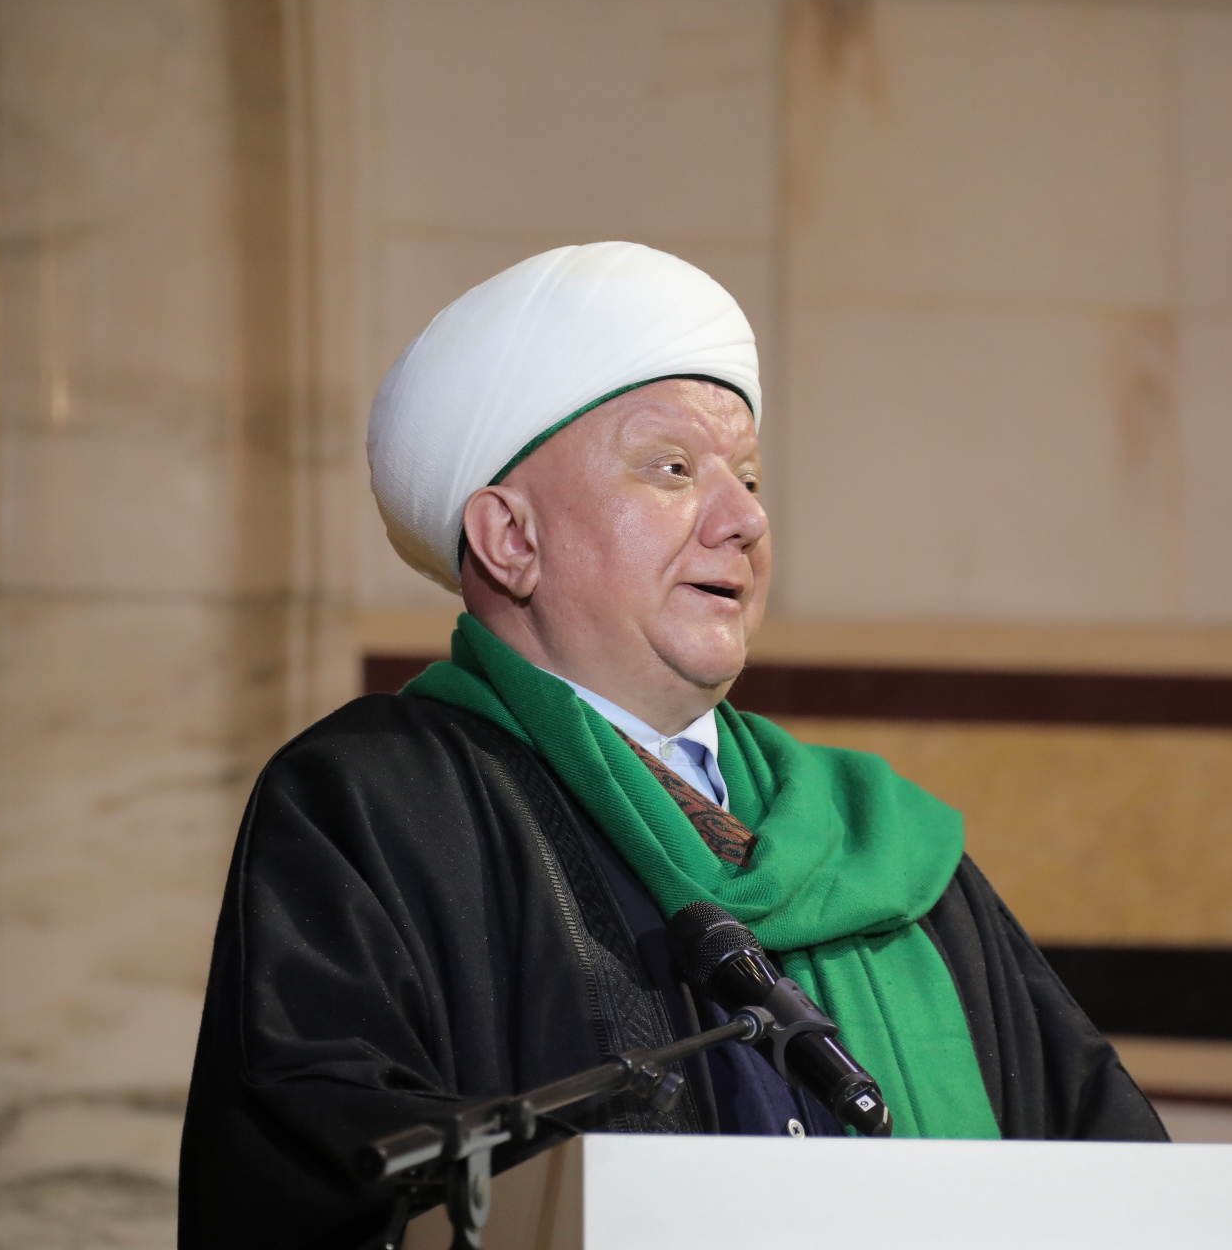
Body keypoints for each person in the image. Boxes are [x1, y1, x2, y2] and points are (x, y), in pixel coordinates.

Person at [178, 242, 1165, 1249]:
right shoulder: (382, 803)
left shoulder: (880, 845)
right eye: (674, 470)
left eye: (750, 477)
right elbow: (318, 1176)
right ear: (512, 539)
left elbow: (1125, 1182)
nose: (745, 519)